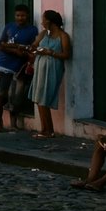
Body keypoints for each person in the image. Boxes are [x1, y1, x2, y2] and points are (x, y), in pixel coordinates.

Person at [0, 4, 36, 132]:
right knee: (0, 94)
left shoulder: (32, 30)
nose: (20, 18)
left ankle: (13, 122)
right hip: (2, 64)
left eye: (23, 15)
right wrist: (18, 49)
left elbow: (30, 49)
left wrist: (16, 48)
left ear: (28, 16)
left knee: (16, 97)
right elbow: (1, 45)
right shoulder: (9, 27)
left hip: (18, 68)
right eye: (18, 15)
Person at [27, 9, 71, 140]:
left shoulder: (63, 36)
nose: (42, 22)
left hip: (53, 68)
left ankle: (49, 130)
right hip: (40, 67)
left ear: (50, 22)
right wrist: (33, 50)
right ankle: (45, 129)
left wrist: (50, 52)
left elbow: (66, 54)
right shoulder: (43, 34)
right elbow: (34, 46)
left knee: (45, 97)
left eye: (43, 19)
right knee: (39, 98)